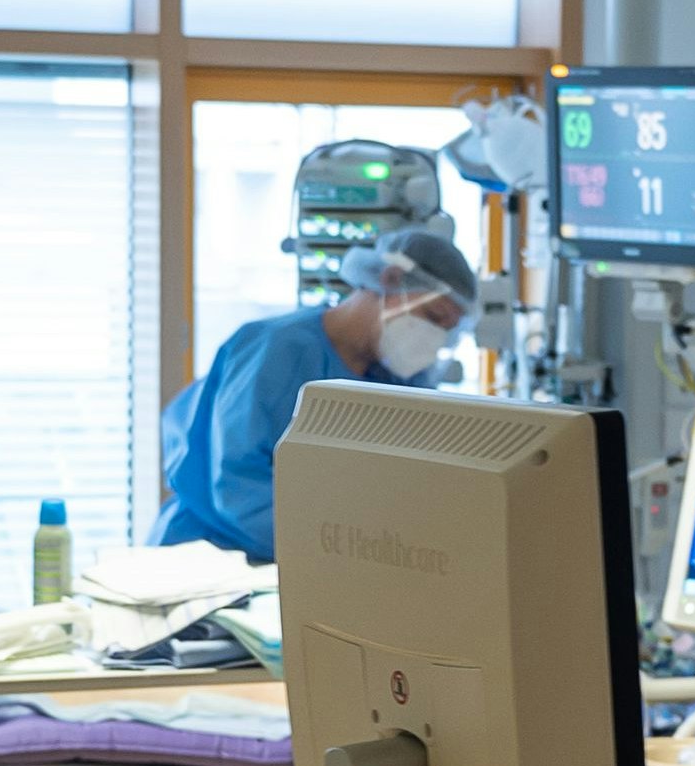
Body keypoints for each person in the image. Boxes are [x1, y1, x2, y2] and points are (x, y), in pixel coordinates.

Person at [152, 226, 477, 560]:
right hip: (212, 554)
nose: (435, 338)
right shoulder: (276, 351)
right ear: (391, 279)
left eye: (448, 331)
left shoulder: (399, 382)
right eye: (433, 317)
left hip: (320, 560)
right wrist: (333, 550)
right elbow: (236, 485)